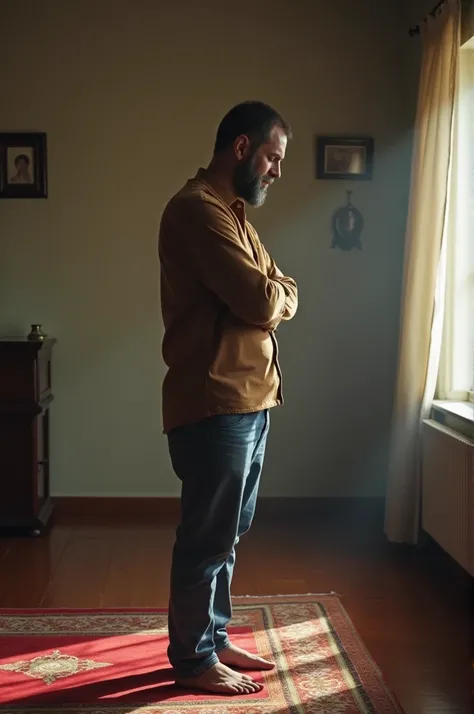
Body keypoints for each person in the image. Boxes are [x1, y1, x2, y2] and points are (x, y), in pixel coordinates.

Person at [158, 101, 298, 696]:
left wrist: (276, 294)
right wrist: (276, 296)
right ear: (240, 148)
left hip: (250, 400)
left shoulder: (236, 215)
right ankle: (191, 659)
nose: (276, 171)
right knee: (207, 534)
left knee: (229, 530)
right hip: (216, 401)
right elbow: (265, 301)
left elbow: (280, 287)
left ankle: (211, 637)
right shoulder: (196, 212)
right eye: (272, 157)